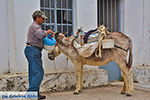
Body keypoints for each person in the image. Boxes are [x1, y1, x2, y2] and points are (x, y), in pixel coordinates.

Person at [24, 10, 54, 100]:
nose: (44, 20)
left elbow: (41, 36)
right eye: (43, 18)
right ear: (37, 18)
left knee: (33, 73)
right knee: (38, 73)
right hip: (33, 50)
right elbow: (40, 35)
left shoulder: (37, 27)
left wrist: (47, 35)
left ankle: (35, 94)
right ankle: (30, 94)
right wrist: (47, 32)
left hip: (33, 50)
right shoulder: (35, 26)